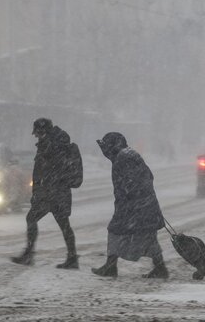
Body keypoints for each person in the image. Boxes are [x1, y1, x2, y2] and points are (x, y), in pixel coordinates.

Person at [91, 132, 168, 279]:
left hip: (133, 206)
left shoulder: (123, 158)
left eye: (107, 147)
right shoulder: (128, 155)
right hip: (143, 205)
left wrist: (130, 197)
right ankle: (160, 267)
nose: (105, 151)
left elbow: (132, 182)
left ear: (113, 146)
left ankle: (110, 266)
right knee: (148, 237)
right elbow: (148, 176)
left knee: (115, 231)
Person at [11, 118, 78, 269]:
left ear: (42, 131)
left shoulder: (51, 145)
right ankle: (72, 257)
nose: (35, 136)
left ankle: (29, 254)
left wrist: (41, 191)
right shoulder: (57, 143)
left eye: (37, 133)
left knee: (32, 218)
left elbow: (45, 170)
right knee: (64, 225)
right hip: (58, 191)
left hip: (51, 192)